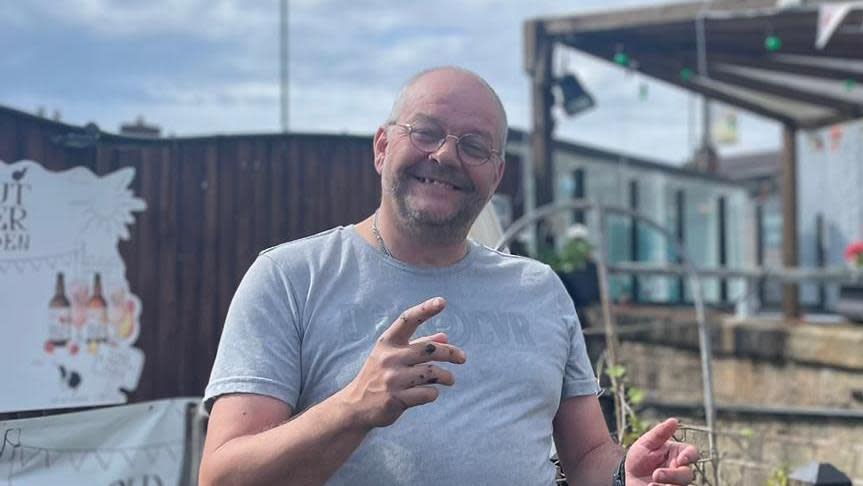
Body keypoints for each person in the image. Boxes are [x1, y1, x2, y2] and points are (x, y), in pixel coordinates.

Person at [199, 66, 699, 486]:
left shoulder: (539, 289)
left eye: (475, 146)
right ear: (381, 147)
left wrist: (625, 477)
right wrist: (352, 407)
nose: (444, 156)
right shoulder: (290, 278)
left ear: (496, 175)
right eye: (426, 132)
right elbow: (221, 477)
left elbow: (587, 453)